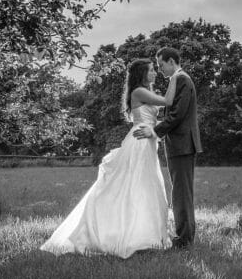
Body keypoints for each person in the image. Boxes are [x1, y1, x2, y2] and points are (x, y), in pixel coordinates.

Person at [40, 58, 174, 259]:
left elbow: (154, 116)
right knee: (134, 185)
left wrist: (157, 127)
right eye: (151, 70)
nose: (155, 73)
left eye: (155, 69)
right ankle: (123, 232)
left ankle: (145, 232)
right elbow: (167, 101)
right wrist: (175, 76)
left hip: (147, 139)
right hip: (139, 142)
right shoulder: (138, 91)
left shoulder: (146, 92)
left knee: (145, 185)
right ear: (142, 74)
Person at [132, 46, 201, 248]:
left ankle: (184, 239)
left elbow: (177, 114)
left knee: (181, 192)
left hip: (182, 144)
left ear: (172, 62)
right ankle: (184, 235)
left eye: (161, 65)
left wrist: (154, 131)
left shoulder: (181, 79)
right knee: (180, 191)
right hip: (180, 144)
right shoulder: (178, 80)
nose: (160, 69)